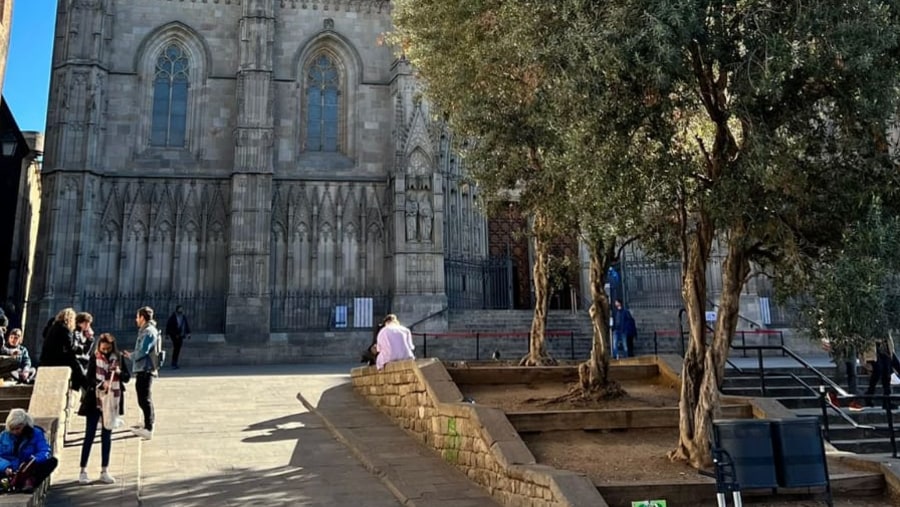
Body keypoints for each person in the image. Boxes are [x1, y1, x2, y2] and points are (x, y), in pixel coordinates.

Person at [77, 333, 122, 484]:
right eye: (103, 349)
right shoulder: (94, 358)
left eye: (108, 349)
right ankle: (83, 470)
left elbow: (127, 377)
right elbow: (88, 378)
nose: (105, 352)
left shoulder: (117, 358)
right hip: (95, 401)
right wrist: (100, 384)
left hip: (111, 402)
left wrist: (119, 373)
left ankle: (104, 470)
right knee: (89, 435)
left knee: (106, 437)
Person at [123, 306, 160, 440]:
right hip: (143, 368)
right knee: (144, 398)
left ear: (143, 318)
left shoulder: (149, 332)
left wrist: (131, 356)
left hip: (145, 369)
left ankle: (149, 428)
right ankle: (147, 422)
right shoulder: (146, 330)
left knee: (144, 399)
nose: (136, 319)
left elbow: (143, 350)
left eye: (137, 317)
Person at [0, 409, 58, 493]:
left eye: (18, 428)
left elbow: (44, 450)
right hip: (9, 468)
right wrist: (5, 467)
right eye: (12, 429)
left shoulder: (36, 433)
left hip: (28, 467)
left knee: (52, 461)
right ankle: (12, 482)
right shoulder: (4, 436)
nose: (15, 431)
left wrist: (34, 460)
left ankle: (28, 481)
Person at [72, 312, 95, 389]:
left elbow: (87, 352)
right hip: (76, 359)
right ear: (79, 323)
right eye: (85, 323)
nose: (87, 325)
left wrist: (90, 339)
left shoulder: (85, 333)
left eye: (88, 323)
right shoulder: (76, 333)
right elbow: (76, 348)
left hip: (83, 359)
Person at [164, 305, 191, 369]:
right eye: (179, 309)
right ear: (177, 309)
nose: (180, 310)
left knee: (177, 349)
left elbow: (186, 325)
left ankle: (174, 362)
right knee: (176, 348)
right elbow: (168, 325)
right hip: (174, 334)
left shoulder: (183, 317)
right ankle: (174, 363)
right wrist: (167, 334)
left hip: (181, 335)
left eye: (181, 309)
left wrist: (188, 333)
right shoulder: (173, 317)